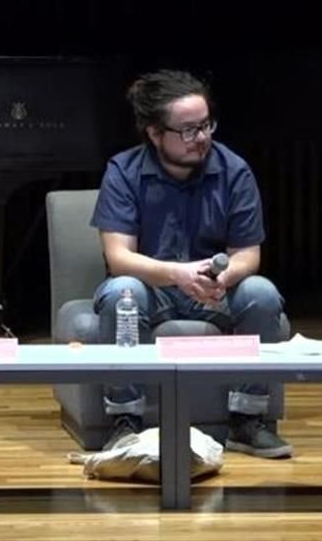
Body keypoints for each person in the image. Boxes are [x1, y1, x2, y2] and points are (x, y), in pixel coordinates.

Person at [90, 69, 291, 458]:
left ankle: (246, 421)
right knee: (121, 292)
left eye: (205, 125)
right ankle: (125, 420)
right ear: (154, 132)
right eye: (187, 130)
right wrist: (177, 274)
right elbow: (118, 258)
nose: (201, 138)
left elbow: (248, 255)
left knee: (261, 292)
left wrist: (224, 276)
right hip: (152, 288)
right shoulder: (123, 171)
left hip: (212, 291)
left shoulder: (234, 171)